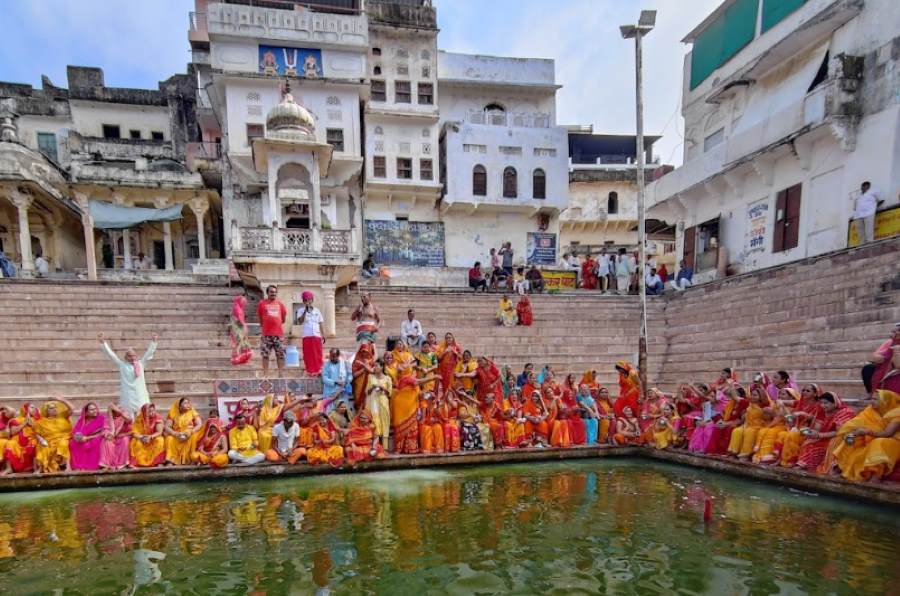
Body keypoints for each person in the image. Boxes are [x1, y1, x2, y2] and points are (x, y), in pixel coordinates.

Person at [829, 389, 900, 481]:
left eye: (876, 399)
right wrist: (852, 432)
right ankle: (841, 469)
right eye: (872, 399)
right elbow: (856, 422)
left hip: (894, 440)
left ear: (886, 401)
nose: (872, 402)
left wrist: (866, 432)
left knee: (879, 443)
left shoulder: (897, 413)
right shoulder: (870, 410)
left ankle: (875, 477)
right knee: (851, 440)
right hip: (873, 437)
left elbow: (887, 433)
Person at [99, 332, 159, 417]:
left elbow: (148, 354)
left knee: (143, 411)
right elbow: (111, 355)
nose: (132, 357)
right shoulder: (122, 365)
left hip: (140, 393)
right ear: (126, 357)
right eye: (130, 356)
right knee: (128, 413)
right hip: (128, 394)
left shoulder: (141, 364)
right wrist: (103, 343)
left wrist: (154, 342)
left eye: (134, 356)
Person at [796, 392, 855, 471]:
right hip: (824, 437)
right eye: (821, 403)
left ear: (834, 403)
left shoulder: (844, 412)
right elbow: (817, 429)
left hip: (840, 439)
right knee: (808, 442)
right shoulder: (821, 411)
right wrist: (809, 432)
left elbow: (839, 432)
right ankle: (803, 465)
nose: (823, 405)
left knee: (821, 445)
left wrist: (820, 435)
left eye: (825, 403)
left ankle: (833, 469)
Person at [34, 398, 75, 473]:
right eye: (51, 408)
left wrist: (60, 399)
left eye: (55, 407)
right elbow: (37, 434)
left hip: (64, 438)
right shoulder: (40, 422)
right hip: (49, 440)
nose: (54, 409)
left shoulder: (62, 416)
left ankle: (68, 467)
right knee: (42, 447)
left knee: (63, 443)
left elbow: (72, 409)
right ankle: (40, 468)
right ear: (46, 411)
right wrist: (41, 440)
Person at [257, 285, 287, 376]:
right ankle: (266, 374)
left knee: (280, 354)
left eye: (274, 292)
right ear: (267, 293)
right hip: (266, 334)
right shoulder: (262, 303)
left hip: (278, 334)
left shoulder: (280, 304)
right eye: (271, 292)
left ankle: (280, 374)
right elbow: (260, 318)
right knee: (265, 355)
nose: (273, 293)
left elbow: (283, 319)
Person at [863, 322, 900, 395]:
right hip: (888, 369)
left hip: (895, 371)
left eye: (897, 331)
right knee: (868, 369)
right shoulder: (892, 342)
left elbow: (898, 365)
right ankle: (873, 394)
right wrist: (878, 358)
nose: (894, 333)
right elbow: (878, 357)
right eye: (893, 331)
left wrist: (896, 353)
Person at [69, 402, 106, 471]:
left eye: (95, 409)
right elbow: (76, 431)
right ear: (86, 412)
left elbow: (103, 432)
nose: (95, 411)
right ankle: (77, 467)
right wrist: (78, 437)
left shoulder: (101, 418)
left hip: (96, 438)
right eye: (91, 410)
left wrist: (87, 438)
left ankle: (90, 466)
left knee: (91, 444)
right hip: (83, 438)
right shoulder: (82, 420)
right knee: (72, 443)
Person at [2, 404, 39, 474]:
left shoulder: (37, 420)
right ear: (25, 409)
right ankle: (9, 468)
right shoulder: (15, 420)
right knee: (10, 443)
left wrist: (32, 425)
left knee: (34, 442)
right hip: (17, 442)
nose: (34, 409)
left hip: (30, 440)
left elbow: (40, 433)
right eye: (31, 407)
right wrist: (24, 423)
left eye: (35, 408)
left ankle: (35, 469)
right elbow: (13, 432)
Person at [164, 398, 201, 466]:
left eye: (188, 403)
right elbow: (167, 427)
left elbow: (199, 424)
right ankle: (171, 461)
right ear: (179, 406)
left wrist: (191, 432)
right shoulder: (173, 413)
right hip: (177, 434)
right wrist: (174, 433)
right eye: (185, 403)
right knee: (169, 439)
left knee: (194, 437)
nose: (188, 405)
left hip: (189, 433)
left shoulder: (192, 412)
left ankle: (192, 459)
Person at [366, 359, 393, 450]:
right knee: (375, 422)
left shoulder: (387, 378)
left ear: (382, 367)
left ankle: (385, 448)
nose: (375, 368)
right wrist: (371, 388)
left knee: (385, 421)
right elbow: (367, 392)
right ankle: (376, 447)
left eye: (377, 366)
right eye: (374, 366)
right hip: (373, 402)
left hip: (383, 402)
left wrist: (382, 388)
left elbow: (389, 393)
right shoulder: (370, 377)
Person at [297, 291, 325, 376]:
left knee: (318, 353)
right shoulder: (300, 310)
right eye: (306, 300)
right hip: (307, 335)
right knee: (308, 353)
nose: (308, 301)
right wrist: (305, 310)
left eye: (309, 299)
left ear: (312, 300)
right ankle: (310, 371)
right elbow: (300, 321)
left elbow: (320, 323)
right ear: (303, 301)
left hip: (316, 335)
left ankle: (318, 370)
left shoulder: (317, 310)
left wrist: (323, 335)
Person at [129, 404, 166, 468]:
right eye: (149, 411)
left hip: (153, 438)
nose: (152, 413)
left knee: (160, 440)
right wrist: (141, 437)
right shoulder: (139, 419)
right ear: (144, 413)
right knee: (134, 442)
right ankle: (138, 462)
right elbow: (134, 432)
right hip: (142, 439)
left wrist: (151, 437)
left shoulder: (157, 418)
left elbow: (159, 432)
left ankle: (157, 462)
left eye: (153, 411)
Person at [99, 404, 132, 470]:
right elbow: (105, 429)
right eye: (117, 408)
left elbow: (130, 423)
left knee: (125, 440)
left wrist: (121, 413)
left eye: (120, 408)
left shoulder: (124, 416)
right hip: (112, 437)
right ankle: (107, 465)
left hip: (122, 436)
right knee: (106, 441)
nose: (119, 410)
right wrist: (108, 435)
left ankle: (122, 465)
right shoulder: (107, 418)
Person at [321, 349, 352, 413]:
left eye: (333, 356)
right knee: (330, 412)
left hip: (342, 392)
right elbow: (324, 378)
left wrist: (346, 382)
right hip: (330, 392)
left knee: (343, 412)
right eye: (331, 356)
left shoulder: (345, 363)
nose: (331, 358)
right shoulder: (327, 364)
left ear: (338, 356)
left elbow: (350, 375)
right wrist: (335, 382)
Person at [851, 181, 882, 245]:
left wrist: (874, 207)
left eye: (865, 186)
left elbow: (881, 200)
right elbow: (854, 207)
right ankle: (862, 245)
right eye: (862, 186)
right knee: (860, 232)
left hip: (869, 213)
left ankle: (870, 243)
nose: (863, 187)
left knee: (869, 230)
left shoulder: (873, 191)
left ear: (868, 186)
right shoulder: (858, 196)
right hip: (858, 216)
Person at [352, 343, 376, 413]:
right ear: (360, 351)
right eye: (363, 351)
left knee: (368, 401)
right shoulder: (356, 361)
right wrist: (364, 369)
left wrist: (365, 365)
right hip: (359, 384)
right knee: (358, 401)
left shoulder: (372, 361)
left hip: (369, 383)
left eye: (366, 351)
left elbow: (373, 372)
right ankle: (358, 419)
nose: (364, 353)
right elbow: (354, 375)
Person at [229, 296, 253, 365]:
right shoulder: (237, 309)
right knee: (238, 343)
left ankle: (241, 358)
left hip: (238, 329)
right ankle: (236, 358)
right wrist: (244, 327)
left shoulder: (238, 308)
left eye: (244, 302)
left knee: (241, 343)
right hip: (237, 330)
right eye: (243, 301)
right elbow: (239, 320)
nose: (244, 303)